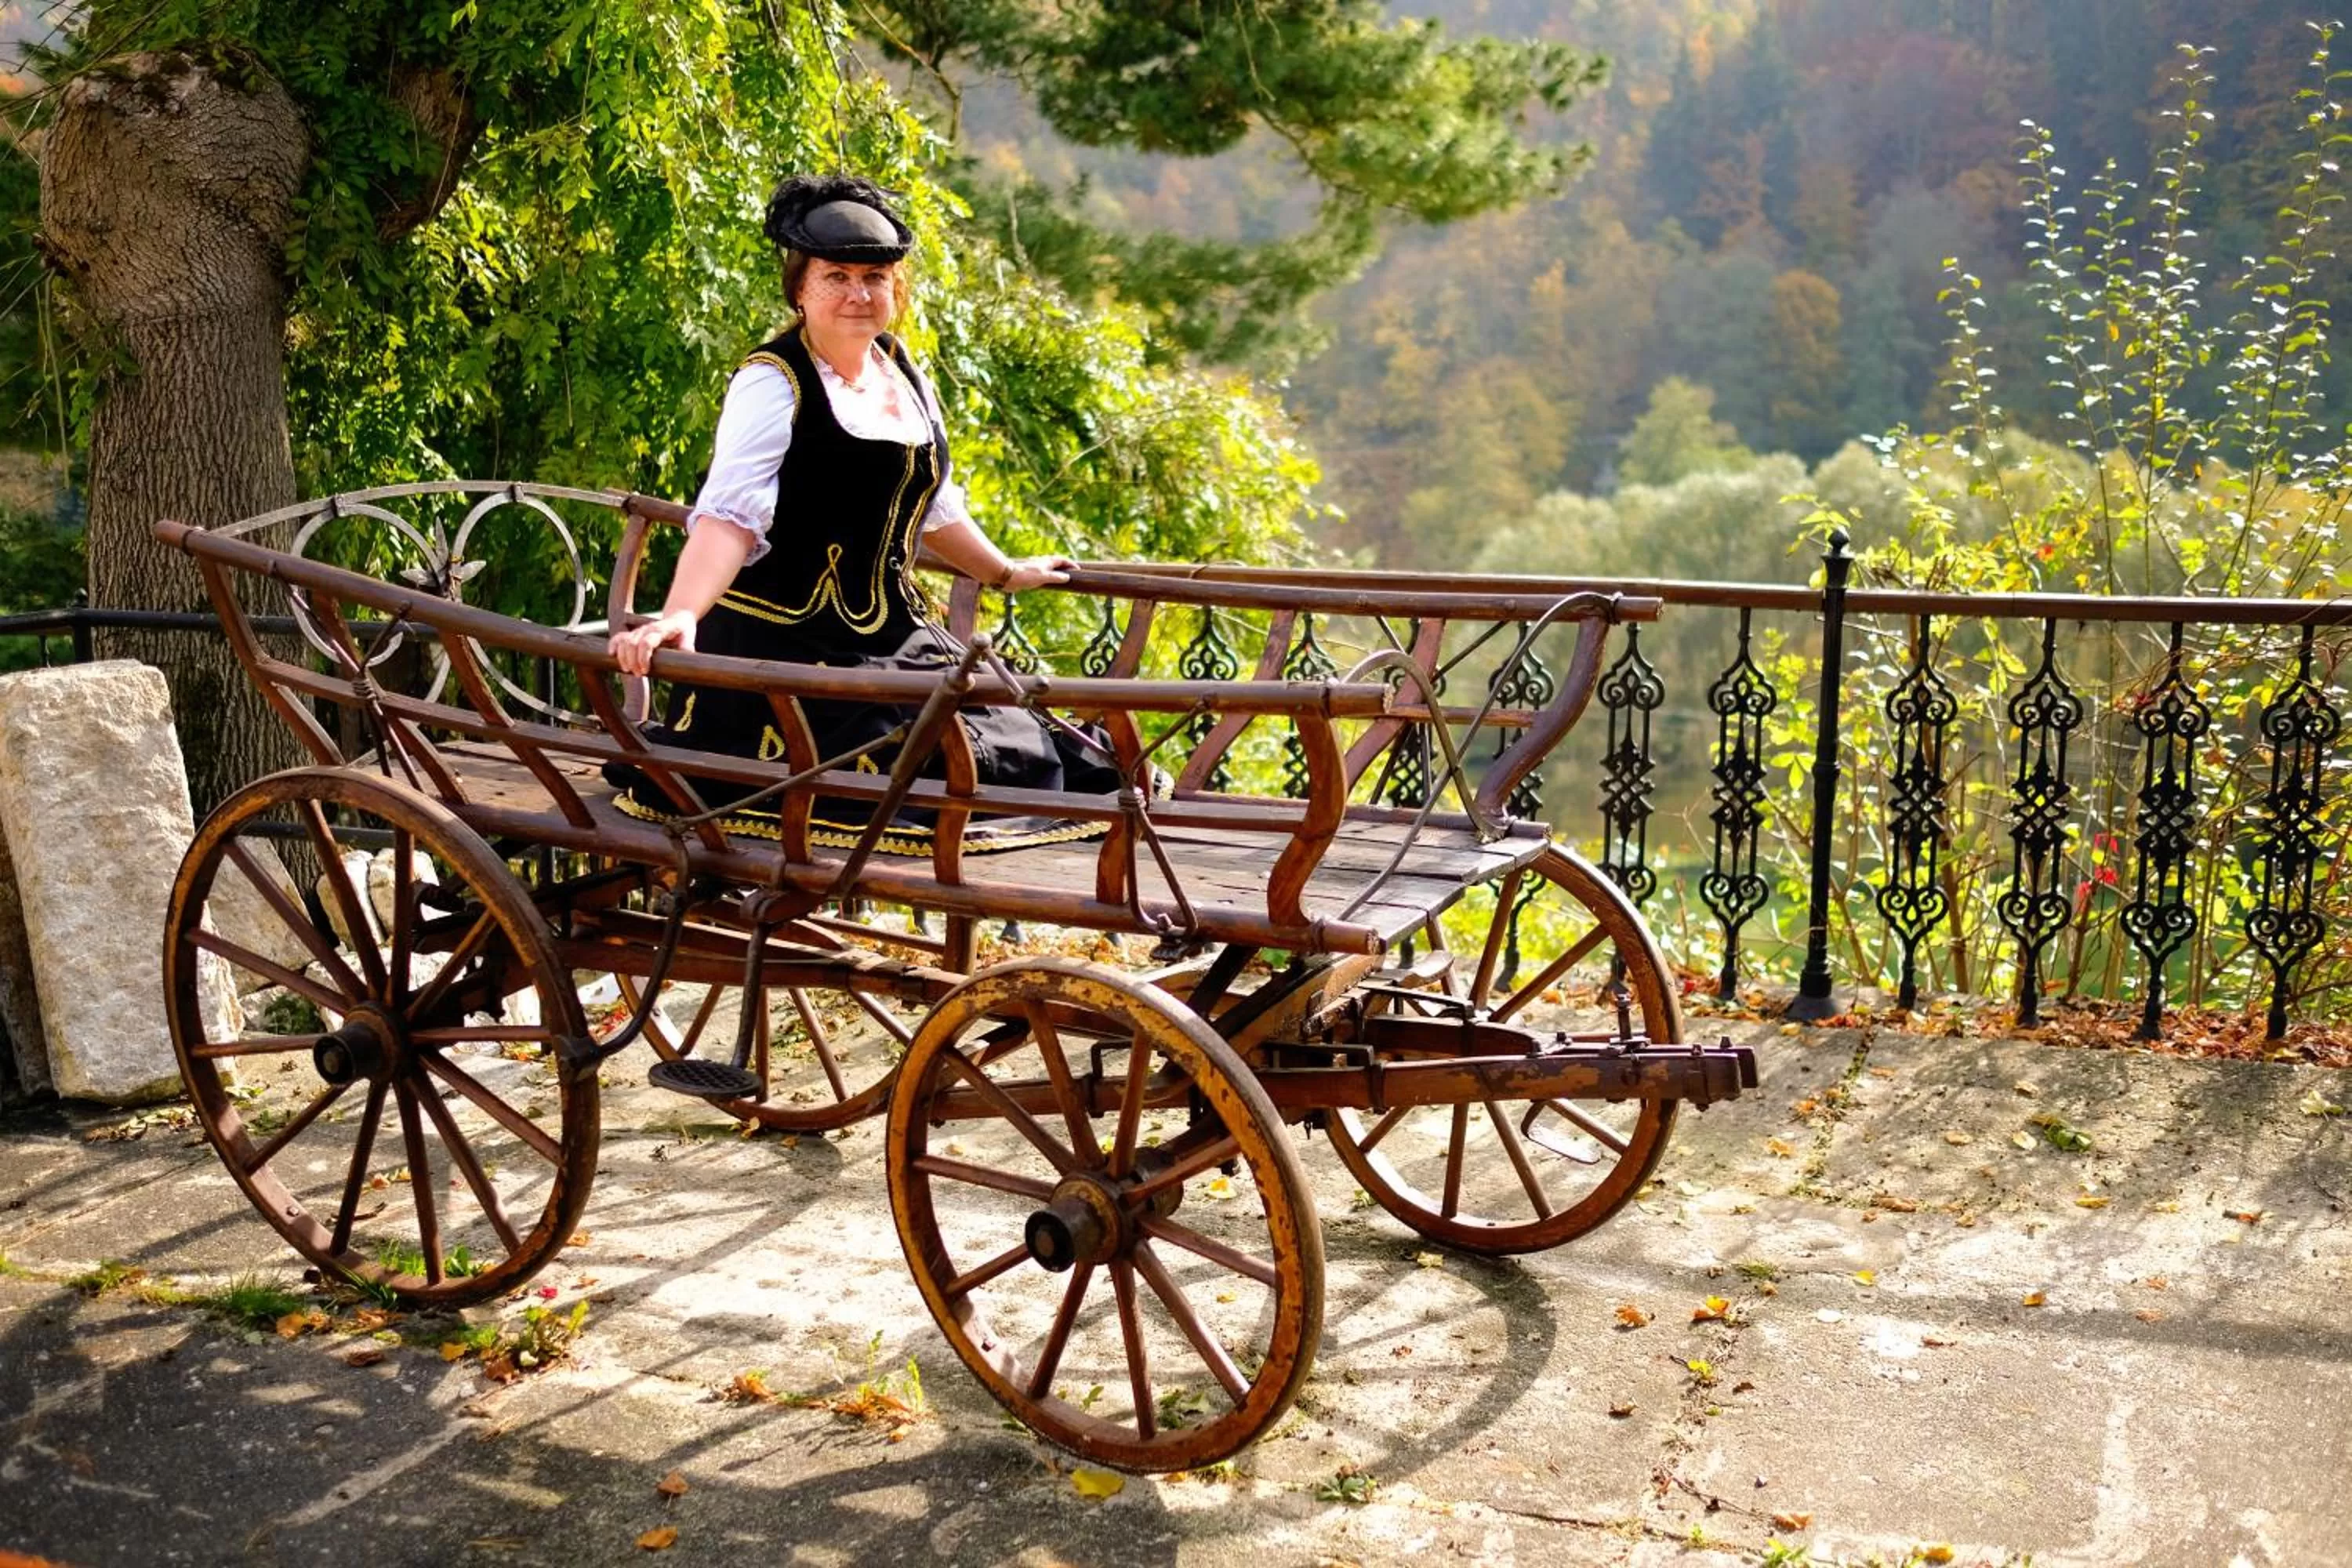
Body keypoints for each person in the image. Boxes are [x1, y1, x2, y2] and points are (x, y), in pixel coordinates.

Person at [606, 173, 1120, 849]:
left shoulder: (904, 375)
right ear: (799, 289)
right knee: (922, 760)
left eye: (875, 277)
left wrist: (1002, 572)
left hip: (893, 636)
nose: (858, 294)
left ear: (895, 290)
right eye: (836, 277)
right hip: (788, 643)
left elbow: (930, 506)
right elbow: (729, 517)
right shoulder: (773, 381)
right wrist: (681, 614)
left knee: (1030, 744)